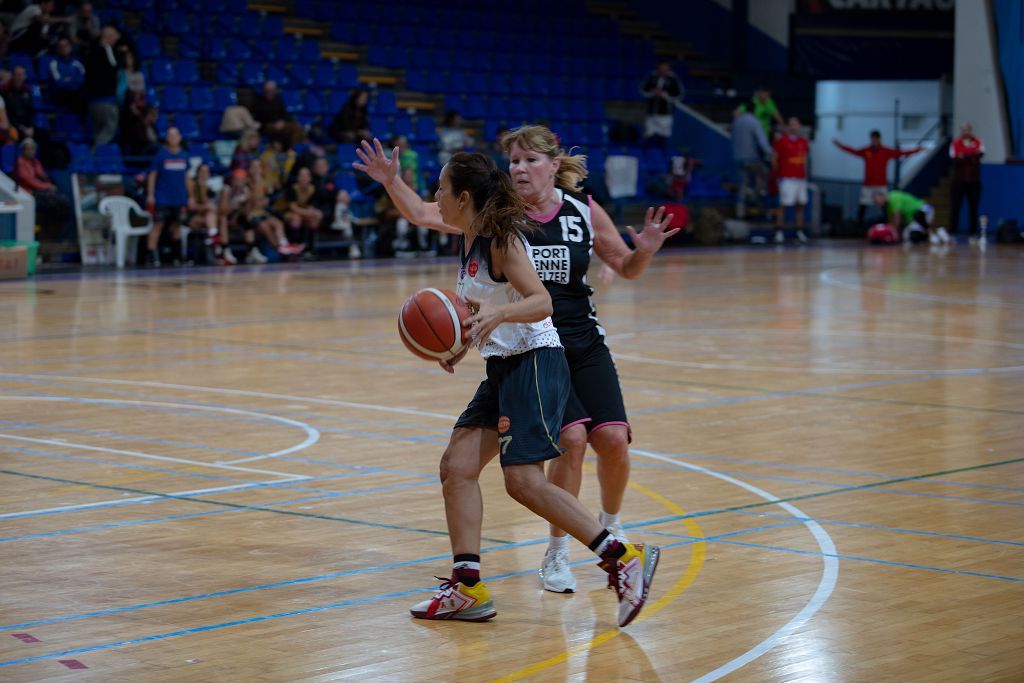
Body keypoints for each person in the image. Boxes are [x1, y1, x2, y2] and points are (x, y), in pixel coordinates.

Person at [354, 125, 677, 595]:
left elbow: (540, 300)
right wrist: (463, 339)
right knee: (457, 467)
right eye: (514, 162)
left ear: (463, 197)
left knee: (528, 478)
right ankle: (468, 588)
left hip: (541, 355)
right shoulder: (470, 231)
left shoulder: (507, 234)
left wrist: (497, 315)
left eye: (441, 189)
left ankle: (621, 556)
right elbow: (473, 283)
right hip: (507, 361)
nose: (434, 198)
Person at [833, 131, 922, 231]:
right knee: (863, 207)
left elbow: (900, 153)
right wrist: (840, 146)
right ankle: (858, 227)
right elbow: (854, 151)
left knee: (885, 207)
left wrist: (916, 150)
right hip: (868, 185)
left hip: (881, 185)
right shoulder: (866, 151)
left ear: (879, 139)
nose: (874, 141)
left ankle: (888, 227)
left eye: (876, 139)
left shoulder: (885, 151)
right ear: (871, 139)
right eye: (873, 139)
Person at [145, 126, 189, 267]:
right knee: (158, 225)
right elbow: (152, 175)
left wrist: (190, 195)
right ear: (167, 138)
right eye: (170, 135)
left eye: (175, 135)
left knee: (177, 226)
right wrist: (150, 195)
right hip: (162, 197)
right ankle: (151, 256)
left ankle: (177, 257)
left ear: (180, 138)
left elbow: (187, 178)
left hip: (179, 197)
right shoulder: (161, 155)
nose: (173, 138)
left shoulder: (184, 156)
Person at [14, 137, 69, 239]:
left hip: (40, 191)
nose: (31, 151)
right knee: (60, 201)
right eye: (28, 149)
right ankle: (52, 231)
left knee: (63, 201)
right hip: (28, 193)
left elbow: (42, 176)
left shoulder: (35, 162)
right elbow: (28, 180)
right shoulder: (20, 163)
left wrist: (48, 183)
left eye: (33, 149)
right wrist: (47, 186)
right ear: (23, 150)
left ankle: (55, 230)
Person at [772, 116, 810, 244]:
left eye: (796, 124)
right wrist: (778, 175)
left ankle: (799, 232)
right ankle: (779, 232)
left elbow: (805, 160)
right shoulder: (781, 141)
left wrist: (806, 175)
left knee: (801, 205)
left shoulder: (803, 141)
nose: (793, 127)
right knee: (783, 205)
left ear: (799, 126)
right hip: (786, 178)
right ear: (788, 127)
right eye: (791, 124)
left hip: (800, 178)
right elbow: (774, 159)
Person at [187, 163, 235, 265]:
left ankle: (217, 242)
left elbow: (222, 210)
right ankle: (220, 247)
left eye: (206, 172)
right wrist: (206, 206)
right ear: (198, 173)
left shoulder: (213, 186)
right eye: (202, 171)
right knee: (211, 212)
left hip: (211, 219)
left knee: (221, 217)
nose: (204, 174)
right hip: (196, 218)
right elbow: (192, 207)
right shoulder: (193, 186)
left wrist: (224, 196)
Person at [732, 106, 771, 218]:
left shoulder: (736, 121)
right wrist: (771, 154)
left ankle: (740, 212)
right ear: (754, 112)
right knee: (764, 173)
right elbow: (762, 142)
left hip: (737, 159)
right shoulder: (754, 121)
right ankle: (754, 195)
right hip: (751, 159)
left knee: (742, 184)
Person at [84, 25, 121, 147]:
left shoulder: (91, 51)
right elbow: (114, 67)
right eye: (115, 37)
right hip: (105, 100)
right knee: (108, 130)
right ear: (108, 37)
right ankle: (95, 155)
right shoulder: (106, 49)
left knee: (98, 131)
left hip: (93, 99)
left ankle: (96, 160)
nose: (117, 39)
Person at [873, 189, 949, 245]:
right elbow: (892, 222)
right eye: (876, 202)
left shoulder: (893, 197)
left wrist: (893, 233)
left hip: (925, 208)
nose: (878, 202)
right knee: (913, 237)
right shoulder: (888, 208)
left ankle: (931, 233)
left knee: (918, 215)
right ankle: (938, 232)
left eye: (878, 199)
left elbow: (897, 217)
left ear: (883, 196)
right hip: (914, 219)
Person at [949, 121, 984, 243]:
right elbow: (955, 159)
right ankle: (952, 232)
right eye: (963, 130)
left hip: (974, 181)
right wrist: (969, 156)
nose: (965, 132)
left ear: (970, 130)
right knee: (955, 206)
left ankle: (973, 233)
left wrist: (964, 156)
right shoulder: (955, 143)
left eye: (967, 129)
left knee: (973, 207)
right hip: (958, 181)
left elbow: (979, 155)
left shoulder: (977, 142)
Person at [639, 60, 683, 147]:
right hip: (651, 112)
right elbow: (643, 90)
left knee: (664, 134)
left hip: (665, 113)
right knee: (648, 133)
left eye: (665, 68)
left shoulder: (673, 79)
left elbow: (679, 95)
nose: (663, 70)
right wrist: (652, 93)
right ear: (658, 67)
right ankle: (647, 153)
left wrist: (665, 95)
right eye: (661, 68)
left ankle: (661, 153)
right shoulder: (652, 76)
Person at [43, 37, 85, 116]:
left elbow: (82, 80)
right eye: (61, 46)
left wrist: (68, 80)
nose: (64, 48)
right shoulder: (53, 64)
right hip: (59, 95)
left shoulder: (77, 63)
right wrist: (73, 80)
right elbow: (59, 82)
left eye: (66, 46)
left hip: (75, 93)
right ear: (57, 49)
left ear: (70, 47)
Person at [0, 66, 34, 141]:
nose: (20, 78)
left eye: (22, 75)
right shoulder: (4, 92)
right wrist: (21, 127)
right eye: (18, 75)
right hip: (13, 125)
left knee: (44, 134)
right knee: (15, 134)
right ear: (12, 76)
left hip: (26, 126)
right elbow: (8, 114)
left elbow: (30, 111)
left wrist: (31, 127)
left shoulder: (28, 91)